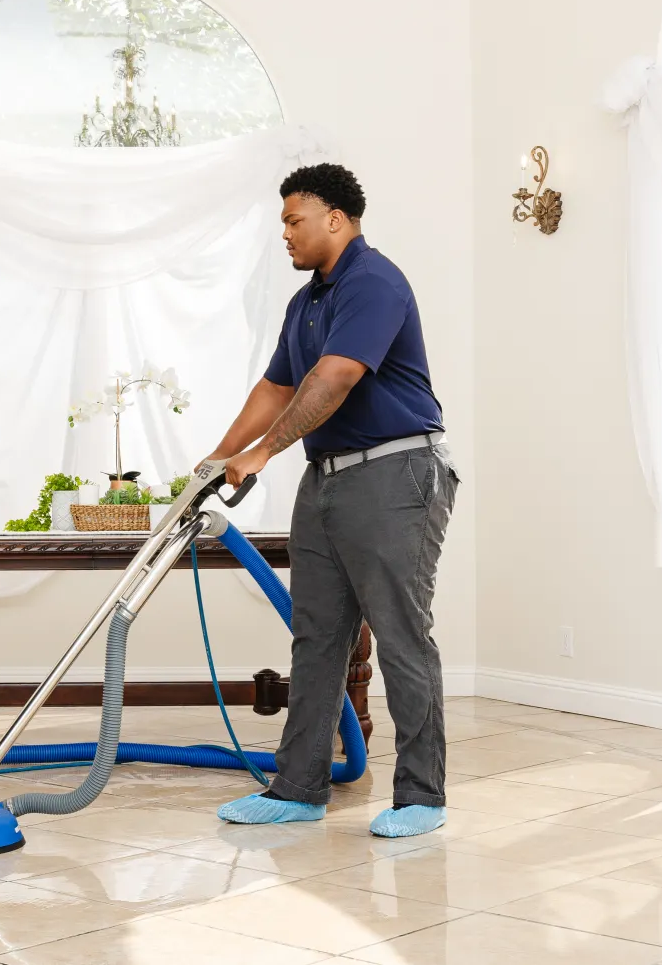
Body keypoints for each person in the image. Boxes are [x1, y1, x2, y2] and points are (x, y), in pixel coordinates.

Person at [205, 162, 457, 838]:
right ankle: (298, 788)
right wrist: (219, 454)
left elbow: (334, 378)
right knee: (316, 636)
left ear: (335, 220)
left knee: (401, 633)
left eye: (294, 220)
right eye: (282, 222)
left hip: (395, 470)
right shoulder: (304, 303)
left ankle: (421, 797)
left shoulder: (374, 282)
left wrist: (261, 454)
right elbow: (277, 388)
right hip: (327, 477)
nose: (284, 233)